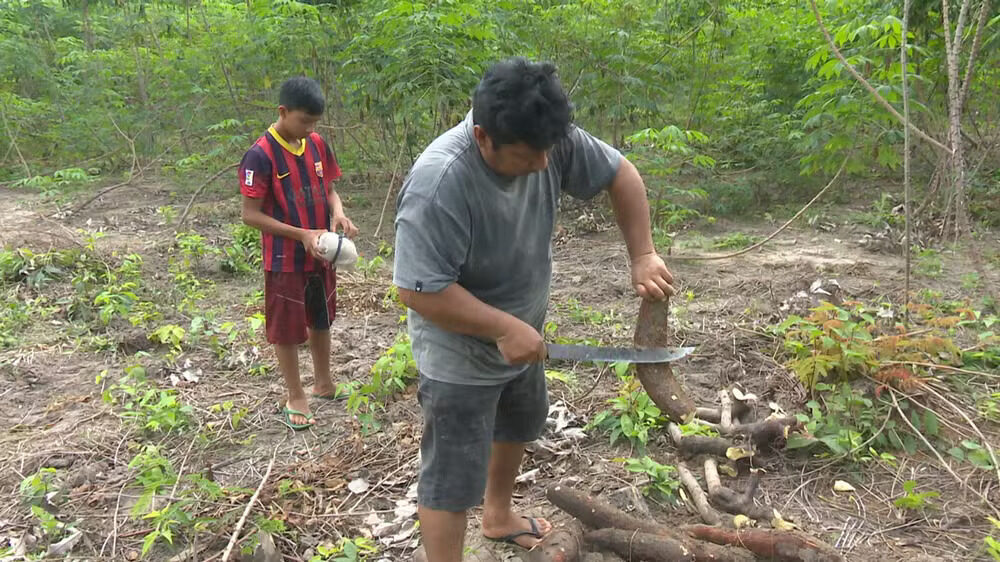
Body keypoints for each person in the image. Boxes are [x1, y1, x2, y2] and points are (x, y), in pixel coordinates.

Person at [391, 57, 676, 561]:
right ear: (483, 138)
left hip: (524, 332)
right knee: (452, 476)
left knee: (520, 422)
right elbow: (418, 290)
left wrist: (643, 254)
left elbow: (621, 174)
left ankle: (498, 517)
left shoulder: (544, 137)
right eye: (527, 156)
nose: (544, 166)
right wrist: (501, 327)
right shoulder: (440, 183)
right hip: (458, 350)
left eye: (547, 151)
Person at [239, 76, 359, 430]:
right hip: (284, 258)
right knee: (288, 328)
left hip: (320, 253)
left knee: (321, 319)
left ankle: (323, 383)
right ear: (282, 111)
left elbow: (330, 189)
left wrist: (337, 212)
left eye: (314, 123)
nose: (308, 129)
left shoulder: (317, 145)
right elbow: (250, 215)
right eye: (303, 121)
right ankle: (296, 395)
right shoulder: (259, 155)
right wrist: (301, 234)